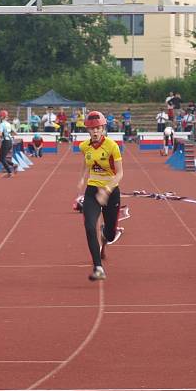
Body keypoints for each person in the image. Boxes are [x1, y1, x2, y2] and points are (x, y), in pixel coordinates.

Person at [77, 111, 123, 282]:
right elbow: (86, 161)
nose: (95, 132)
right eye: (92, 129)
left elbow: (120, 174)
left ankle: (105, 236)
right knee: (89, 226)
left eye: (98, 128)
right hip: (92, 192)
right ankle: (98, 267)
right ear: (88, 131)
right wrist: (82, 177)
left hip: (111, 193)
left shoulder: (112, 146)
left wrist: (107, 190)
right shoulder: (84, 146)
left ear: (103, 129)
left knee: (110, 235)